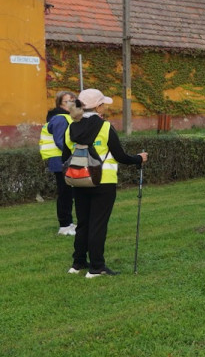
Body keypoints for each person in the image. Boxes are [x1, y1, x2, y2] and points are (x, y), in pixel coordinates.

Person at [62, 89, 147, 277]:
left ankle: (77, 264)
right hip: (103, 182)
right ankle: (97, 267)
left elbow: (65, 156)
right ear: (98, 107)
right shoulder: (105, 127)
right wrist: (139, 158)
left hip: (79, 180)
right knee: (98, 225)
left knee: (83, 223)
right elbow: (121, 156)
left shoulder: (71, 128)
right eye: (103, 104)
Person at [40, 90, 77, 236]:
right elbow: (61, 141)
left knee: (68, 193)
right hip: (62, 162)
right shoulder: (61, 119)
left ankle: (68, 222)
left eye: (74, 100)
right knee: (65, 194)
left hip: (63, 161)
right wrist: (76, 154)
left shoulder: (66, 117)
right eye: (69, 101)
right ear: (60, 103)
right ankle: (64, 225)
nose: (73, 103)